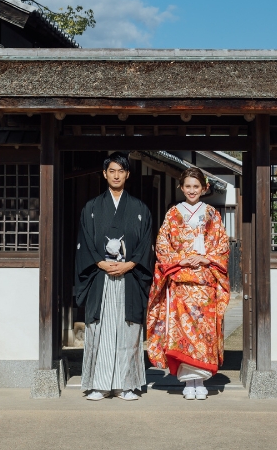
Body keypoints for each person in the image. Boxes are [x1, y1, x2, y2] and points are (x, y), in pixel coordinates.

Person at [74, 152, 153, 401]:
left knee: (128, 330)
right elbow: (84, 241)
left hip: (130, 277)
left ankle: (127, 385)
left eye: (121, 171)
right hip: (101, 277)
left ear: (127, 174)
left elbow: (146, 243)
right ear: (105, 174)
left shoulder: (140, 208)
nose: (116, 175)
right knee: (100, 330)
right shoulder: (92, 208)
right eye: (112, 171)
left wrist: (130, 264)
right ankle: (99, 384)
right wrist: (99, 262)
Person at [146, 167, 230, 401]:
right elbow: (163, 245)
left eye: (196, 186)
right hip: (181, 281)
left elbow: (222, 246)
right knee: (182, 332)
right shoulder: (173, 213)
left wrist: (205, 258)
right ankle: (187, 381)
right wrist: (181, 259)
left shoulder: (213, 214)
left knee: (203, 333)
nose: (192, 191)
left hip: (204, 282)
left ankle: (200, 380)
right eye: (188, 186)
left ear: (204, 188)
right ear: (181, 188)